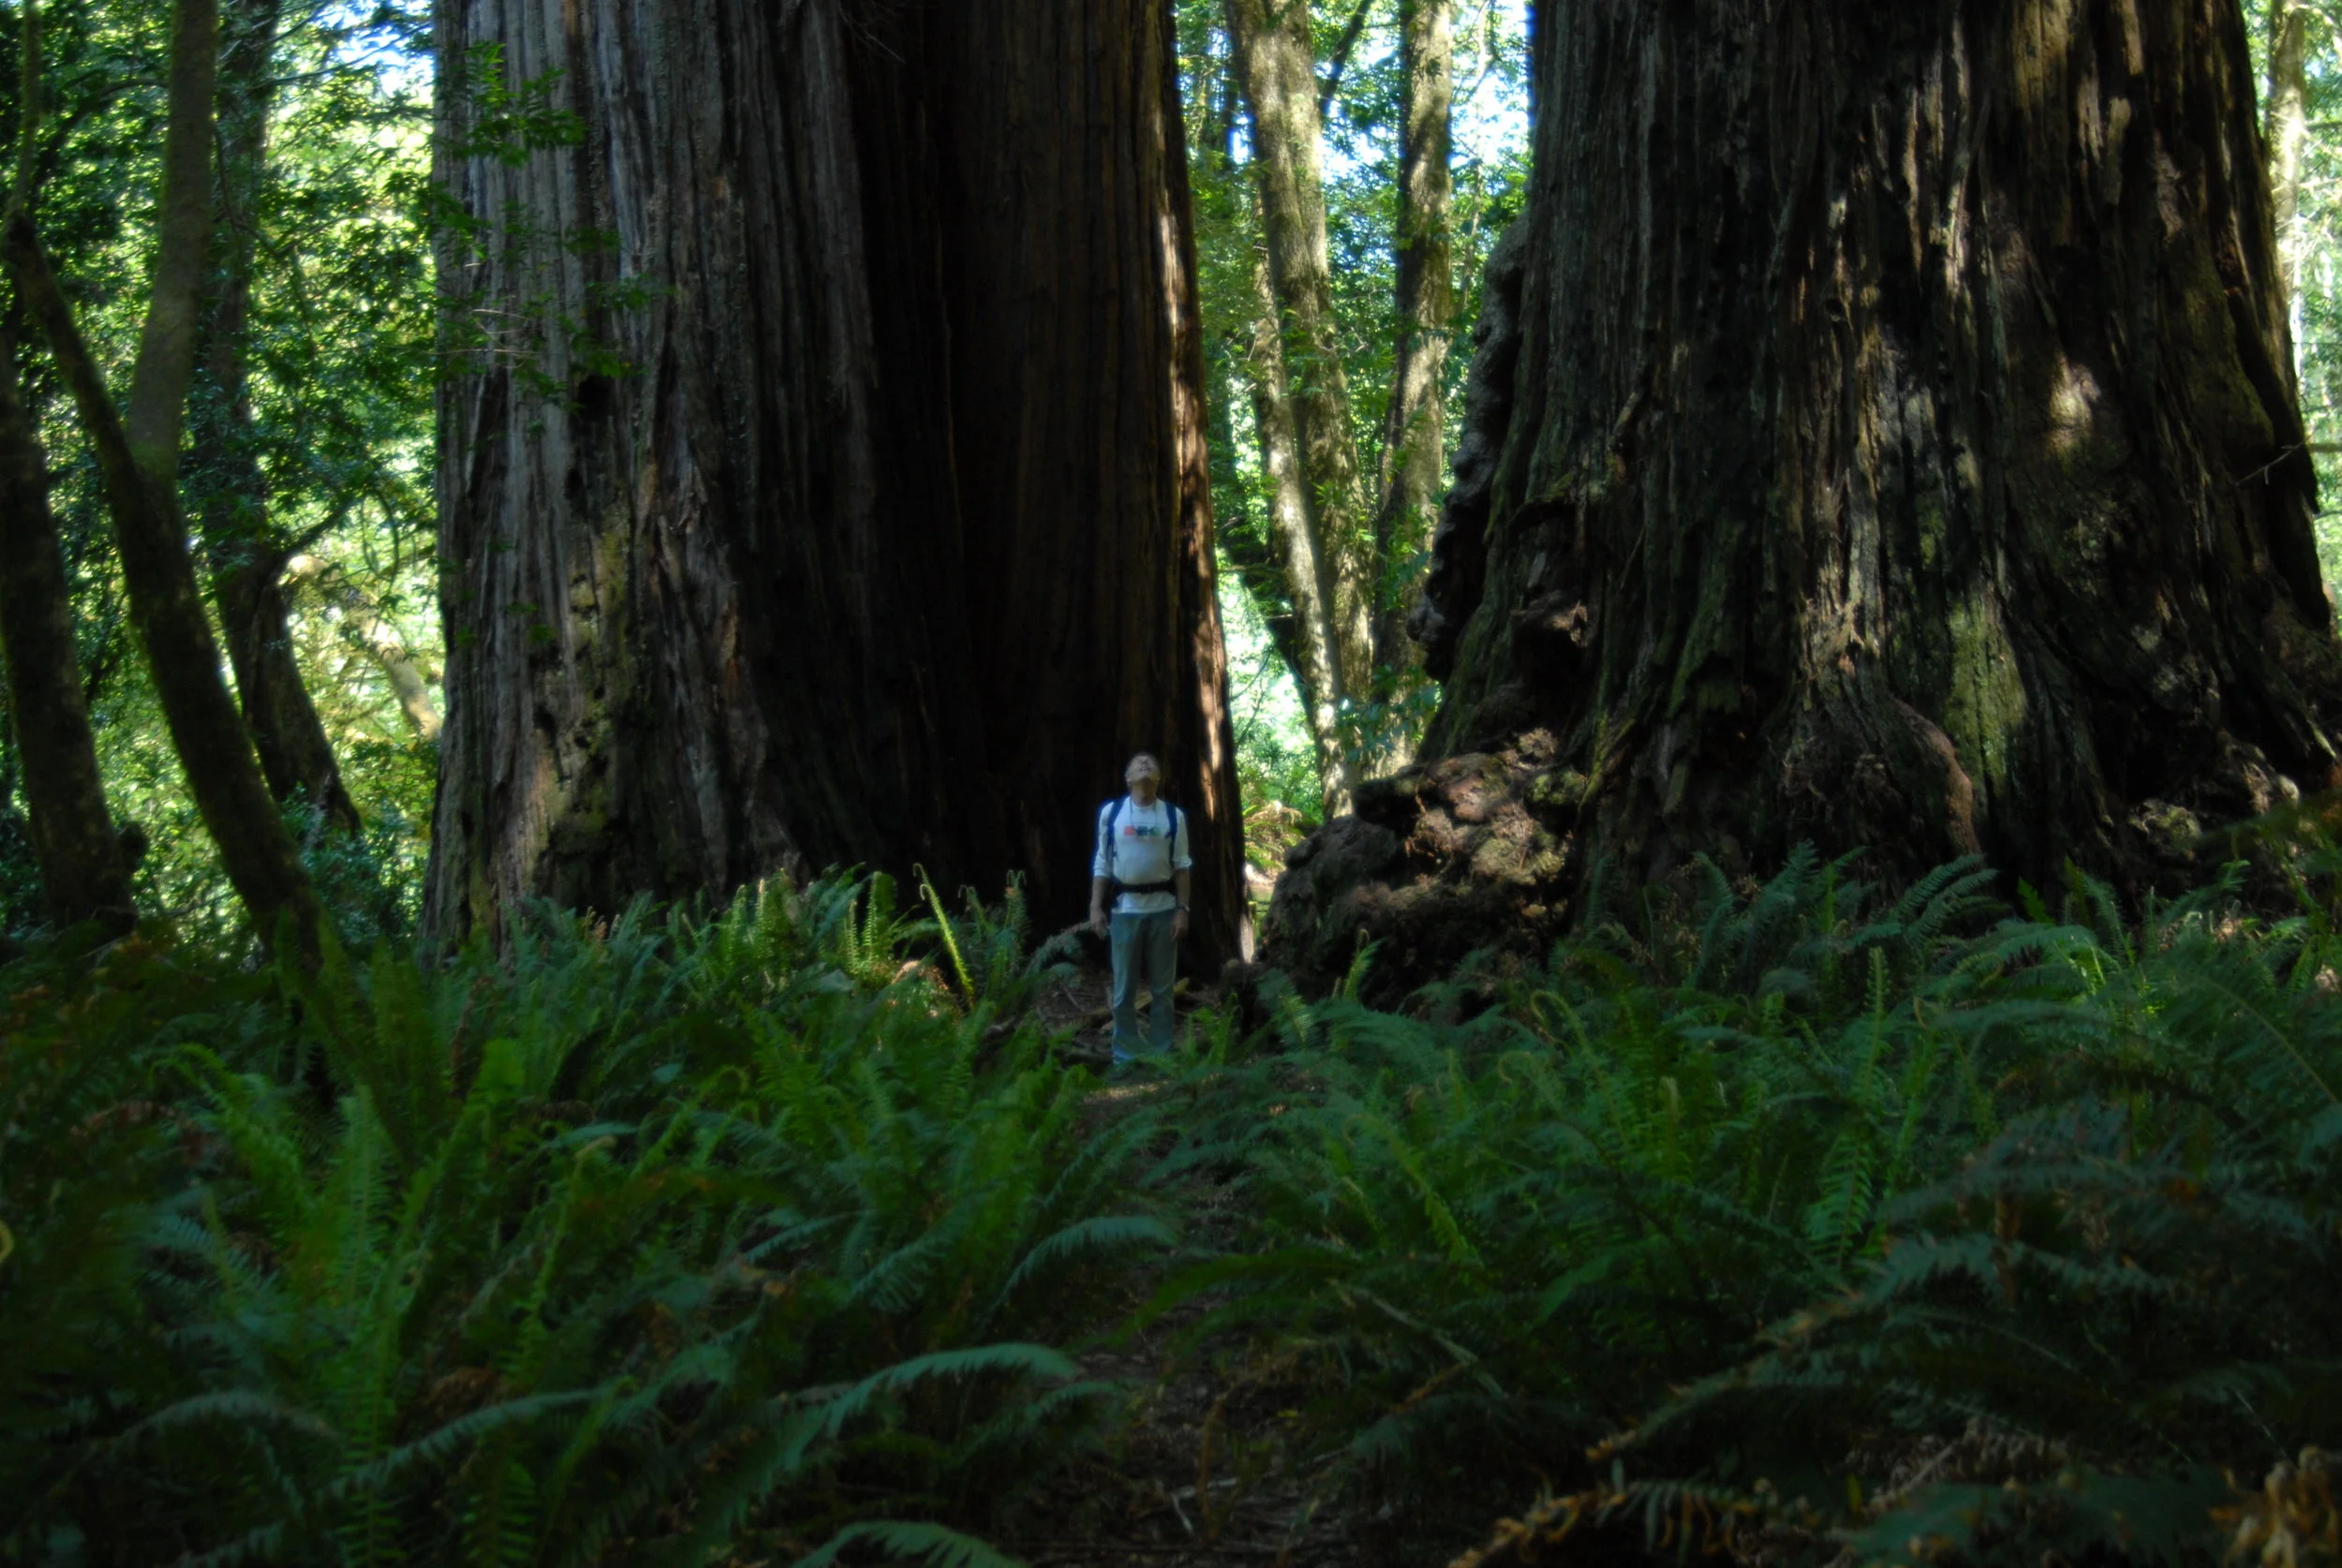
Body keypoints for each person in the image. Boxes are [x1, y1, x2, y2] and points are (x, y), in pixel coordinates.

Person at [1089, 752, 1192, 1067]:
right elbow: (1103, 862)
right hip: (1125, 911)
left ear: (1159, 778)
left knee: (1162, 990)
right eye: (1137, 762)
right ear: (1128, 778)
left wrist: (1183, 909)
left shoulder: (1173, 816)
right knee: (1123, 990)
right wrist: (1095, 906)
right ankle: (1125, 1057)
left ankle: (1161, 1055)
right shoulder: (1113, 813)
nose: (1144, 763)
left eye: (1150, 762)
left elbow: (1182, 866)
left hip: (1163, 909)